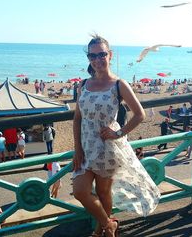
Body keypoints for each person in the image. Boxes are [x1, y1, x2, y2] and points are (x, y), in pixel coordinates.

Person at [72, 35, 159, 237]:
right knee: (80, 191)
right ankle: (109, 225)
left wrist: (118, 133)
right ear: (89, 59)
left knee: (103, 193)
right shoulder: (83, 85)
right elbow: (77, 119)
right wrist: (77, 149)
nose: (98, 59)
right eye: (93, 56)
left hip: (106, 148)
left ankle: (99, 231)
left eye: (102, 54)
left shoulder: (119, 84)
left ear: (109, 55)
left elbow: (140, 114)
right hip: (85, 148)